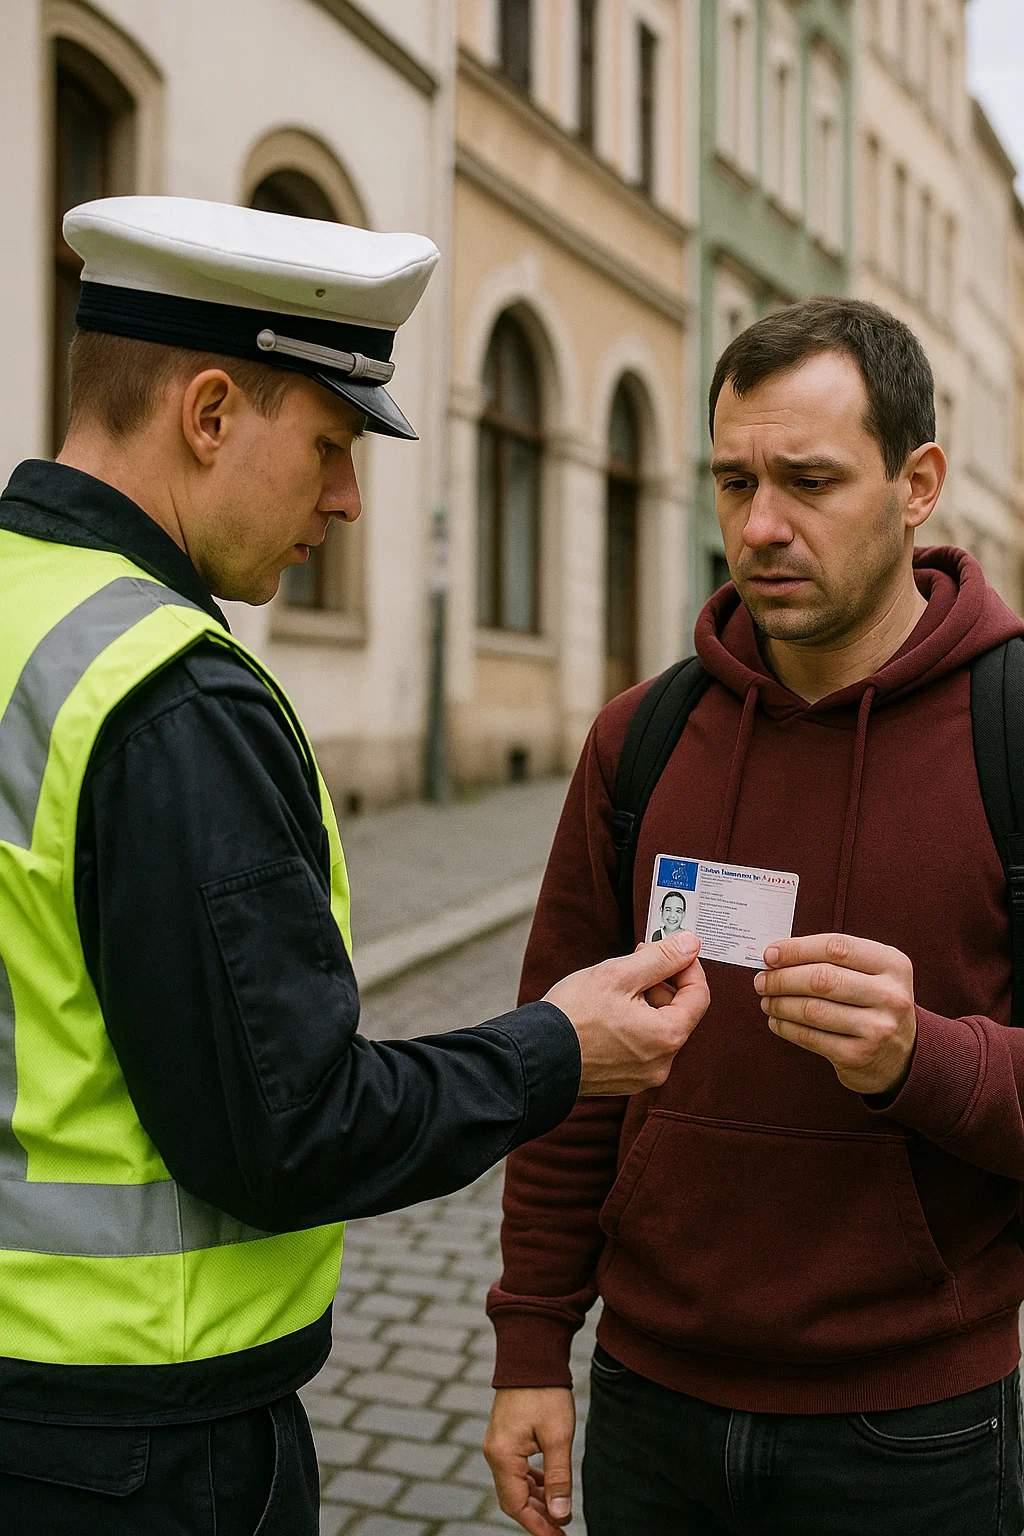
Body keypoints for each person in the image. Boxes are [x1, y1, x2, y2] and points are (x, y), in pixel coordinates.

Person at [0, 195, 711, 1535]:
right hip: (131, 1441)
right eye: (328, 441)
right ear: (208, 413)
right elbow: (289, 1129)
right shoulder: (167, 700)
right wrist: (561, 1049)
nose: (346, 494)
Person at [483, 297, 1024, 1536]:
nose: (761, 527)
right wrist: (528, 1346)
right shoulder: (643, 738)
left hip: (915, 1428)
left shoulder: (1008, 736)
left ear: (917, 483)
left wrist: (920, 1059)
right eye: (733, 481)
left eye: (811, 481)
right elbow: (561, 1066)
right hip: (650, 1404)